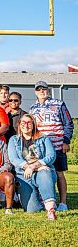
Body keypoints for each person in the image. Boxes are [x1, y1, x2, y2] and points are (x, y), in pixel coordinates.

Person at [29, 81, 73, 212]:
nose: (42, 91)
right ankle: (45, 201)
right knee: (43, 173)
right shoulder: (33, 108)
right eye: (39, 89)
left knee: (59, 174)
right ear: (35, 92)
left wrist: (66, 141)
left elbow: (68, 123)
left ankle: (63, 202)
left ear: (48, 90)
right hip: (41, 148)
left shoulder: (58, 104)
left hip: (57, 145)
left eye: (44, 89)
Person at [8, 114, 58, 220]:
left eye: (29, 123)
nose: (26, 125)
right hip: (24, 175)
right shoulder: (14, 140)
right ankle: (41, 200)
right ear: (19, 125)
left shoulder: (43, 139)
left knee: (45, 173)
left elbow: (51, 156)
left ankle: (50, 210)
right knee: (32, 209)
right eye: (23, 123)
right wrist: (28, 167)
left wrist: (34, 166)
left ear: (34, 125)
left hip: (41, 171)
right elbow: (13, 159)